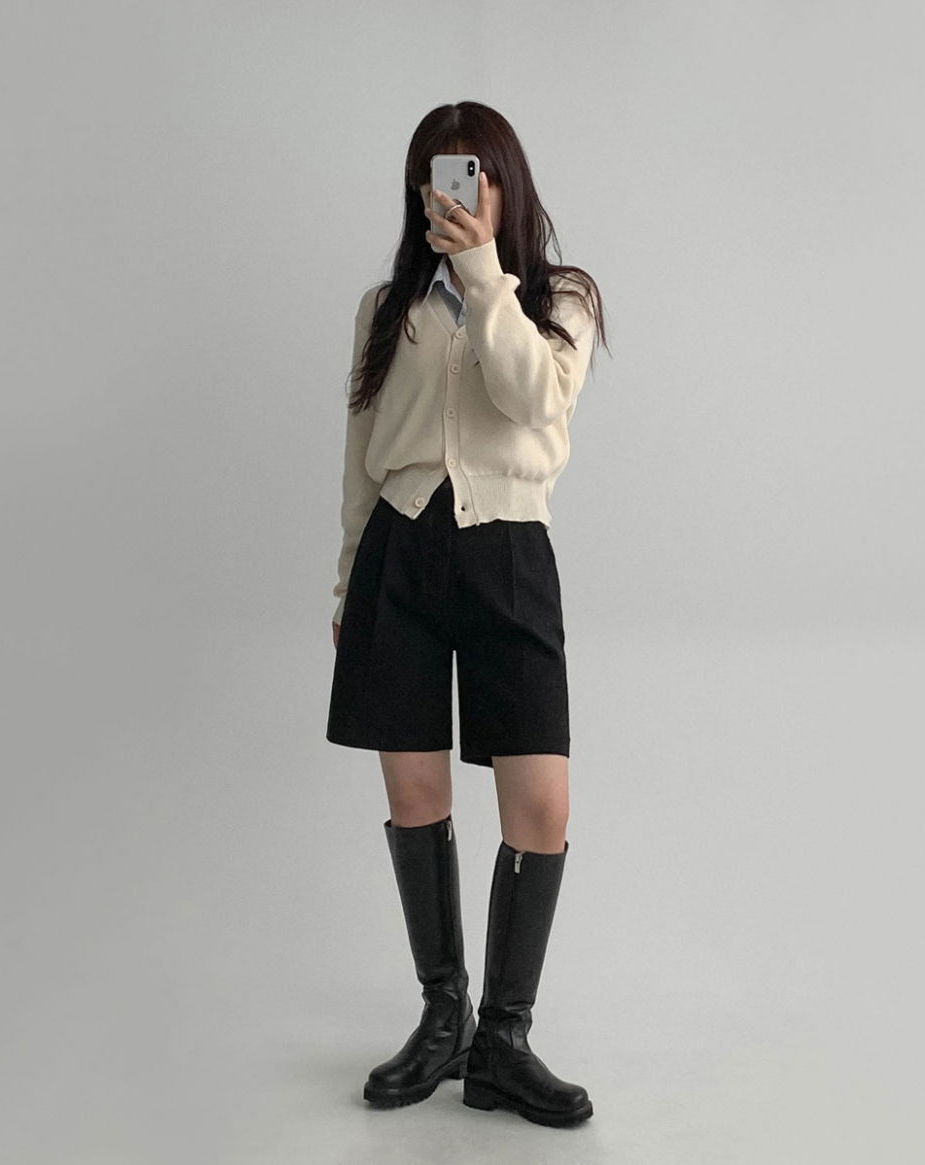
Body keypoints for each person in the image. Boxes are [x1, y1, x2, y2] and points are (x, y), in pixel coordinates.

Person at [326, 101, 608, 1128]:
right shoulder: (385, 307)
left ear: (505, 183)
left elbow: (535, 402)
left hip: (510, 553)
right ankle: (444, 1016)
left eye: (476, 174)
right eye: (440, 176)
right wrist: (347, 582)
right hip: (400, 550)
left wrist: (484, 271)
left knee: (541, 806)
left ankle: (504, 1040)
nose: (456, 192)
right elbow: (361, 455)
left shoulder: (559, 298)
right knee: (415, 794)